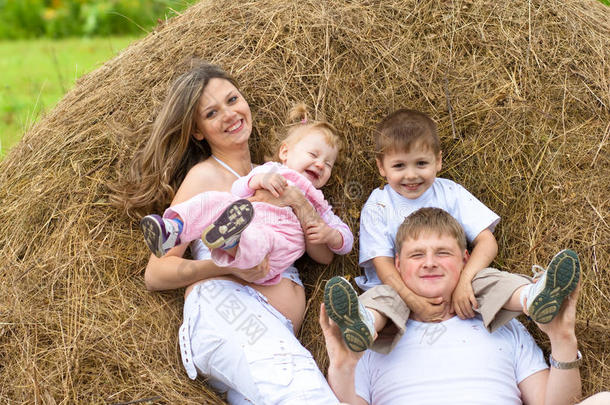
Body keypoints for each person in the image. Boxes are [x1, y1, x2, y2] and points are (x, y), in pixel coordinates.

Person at [112, 62, 342, 403]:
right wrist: (228, 267)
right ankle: (210, 239)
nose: (230, 114)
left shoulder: (276, 173)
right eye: (212, 112)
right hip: (229, 313)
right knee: (308, 397)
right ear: (198, 131)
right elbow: (156, 272)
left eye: (233, 100)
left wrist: (300, 203)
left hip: (267, 333)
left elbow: (322, 255)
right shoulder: (205, 177)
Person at [325, 109, 578, 353]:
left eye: (421, 163)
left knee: (488, 280)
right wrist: (413, 300)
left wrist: (465, 281)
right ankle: (365, 324)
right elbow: (382, 265)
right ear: (382, 167)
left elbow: (486, 241)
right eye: (399, 166)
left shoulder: (449, 193)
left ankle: (532, 297)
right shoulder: (379, 204)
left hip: (456, 287)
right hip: (400, 291)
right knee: (383, 298)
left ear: (438, 161)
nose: (411, 175)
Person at [320, 207, 586, 405]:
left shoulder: (504, 328)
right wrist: (342, 367)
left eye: (443, 252)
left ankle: (531, 294)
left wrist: (563, 339)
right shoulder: (371, 340)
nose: (429, 262)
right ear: (398, 265)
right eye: (417, 255)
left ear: (465, 260)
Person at [138, 104, 352, 285]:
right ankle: (173, 229)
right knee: (214, 201)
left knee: (259, 240)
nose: (319, 164)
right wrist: (258, 180)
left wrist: (331, 235)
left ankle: (230, 241)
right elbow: (238, 190)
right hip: (248, 219)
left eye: (328, 164)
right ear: (285, 153)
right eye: (313, 155)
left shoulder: (317, 201)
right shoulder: (269, 171)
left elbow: (343, 235)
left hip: (275, 245)